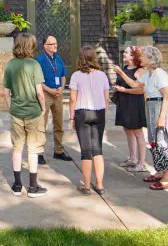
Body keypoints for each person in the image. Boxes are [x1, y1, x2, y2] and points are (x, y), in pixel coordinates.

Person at [114, 45, 168, 191]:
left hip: (159, 107)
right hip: (150, 106)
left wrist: (162, 117)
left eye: (144, 56)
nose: (141, 58)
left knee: (162, 142)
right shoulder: (148, 74)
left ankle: (167, 179)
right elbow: (134, 84)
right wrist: (121, 73)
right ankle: (159, 172)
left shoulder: (160, 73)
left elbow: (166, 96)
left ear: (151, 59)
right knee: (153, 142)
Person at [3, 33, 48, 198]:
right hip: (33, 112)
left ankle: (16, 185)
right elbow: (40, 92)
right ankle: (33, 187)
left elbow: (6, 92)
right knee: (33, 149)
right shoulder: (34, 64)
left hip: (16, 112)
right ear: (31, 46)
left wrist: (11, 107)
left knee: (17, 148)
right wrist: (43, 108)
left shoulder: (10, 64)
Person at [69, 46, 110, 195]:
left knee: (85, 150)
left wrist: (71, 117)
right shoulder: (102, 75)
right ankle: (100, 185)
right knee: (97, 149)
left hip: (82, 112)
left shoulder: (76, 76)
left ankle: (86, 186)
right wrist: (104, 117)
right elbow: (106, 99)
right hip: (98, 112)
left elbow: (73, 99)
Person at [36, 35, 72, 164]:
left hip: (58, 94)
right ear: (45, 46)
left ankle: (59, 151)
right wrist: (49, 90)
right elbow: (38, 81)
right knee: (42, 124)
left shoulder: (59, 59)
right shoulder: (39, 60)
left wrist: (62, 88)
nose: (55, 46)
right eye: (52, 44)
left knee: (59, 124)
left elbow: (63, 76)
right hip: (45, 94)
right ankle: (39, 153)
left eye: (56, 43)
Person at [113, 45, 147, 172]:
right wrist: (117, 88)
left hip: (135, 103)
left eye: (126, 52)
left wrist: (124, 90)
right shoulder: (125, 68)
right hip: (124, 102)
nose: (123, 54)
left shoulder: (140, 71)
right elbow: (122, 83)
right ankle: (132, 158)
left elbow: (140, 90)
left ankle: (141, 163)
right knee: (127, 130)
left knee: (138, 132)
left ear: (133, 56)